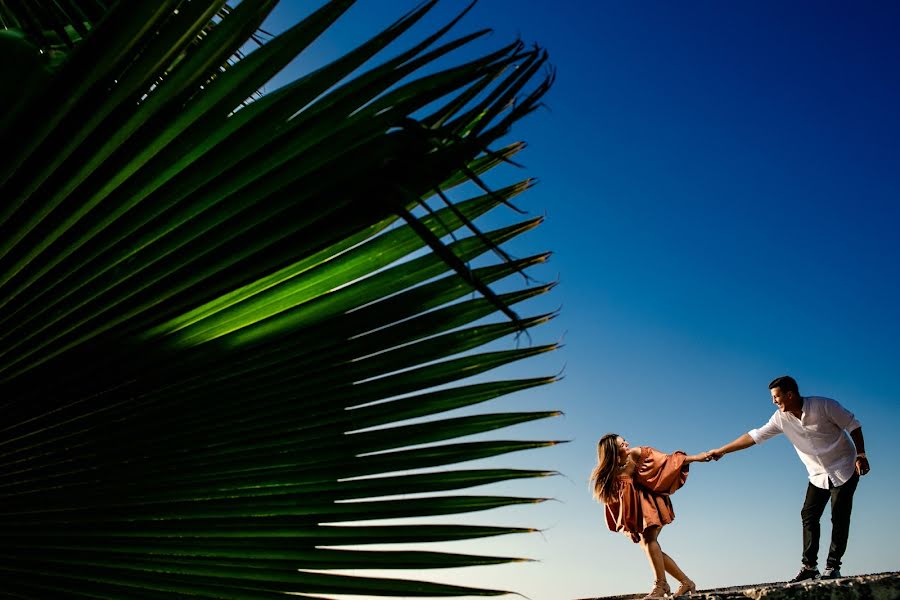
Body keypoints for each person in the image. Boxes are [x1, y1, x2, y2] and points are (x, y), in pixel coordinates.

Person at [708, 375, 869, 583]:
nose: (773, 401)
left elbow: (853, 424)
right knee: (809, 515)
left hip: (844, 467)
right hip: (817, 474)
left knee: (839, 517)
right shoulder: (780, 419)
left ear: (790, 394)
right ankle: (810, 567)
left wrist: (861, 455)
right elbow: (754, 436)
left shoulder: (824, 406)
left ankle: (833, 566)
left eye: (776, 396)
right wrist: (722, 451)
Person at [591, 433, 711, 599]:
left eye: (625, 441)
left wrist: (697, 458)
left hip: (652, 504)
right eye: (621, 444)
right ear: (613, 451)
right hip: (637, 512)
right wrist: (628, 526)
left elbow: (667, 462)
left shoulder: (636, 454)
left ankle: (661, 585)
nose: (626, 444)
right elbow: (615, 503)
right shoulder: (610, 473)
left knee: (649, 542)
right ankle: (686, 582)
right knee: (648, 546)